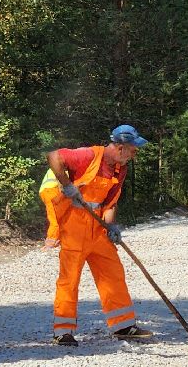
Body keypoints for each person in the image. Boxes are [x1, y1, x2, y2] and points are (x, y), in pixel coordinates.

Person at [47, 124, 155, 345]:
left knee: (113, 273)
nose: (134, 155)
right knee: (69, 279)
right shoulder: (88, 155)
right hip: (75, 227)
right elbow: (54, 156)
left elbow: (110, 203)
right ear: (121, 147)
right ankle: (63, 331)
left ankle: (123, 326)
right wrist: (67, 186)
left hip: (98, 230)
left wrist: (111, 227)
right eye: (133, 150)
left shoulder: (119, 168)